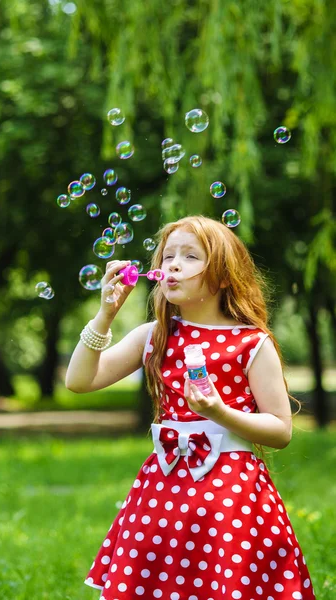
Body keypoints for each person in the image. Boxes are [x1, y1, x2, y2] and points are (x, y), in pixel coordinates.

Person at [66, 215, 316, 600]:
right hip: (162, 490)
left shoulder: (251, 343)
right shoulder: (153, 336)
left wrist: (219, 412)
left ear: (222, 275)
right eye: (167, 257)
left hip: (230, 495)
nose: (173, 265)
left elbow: (281, 430)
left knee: (225, 583)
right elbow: (80, 381)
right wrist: (106, 315)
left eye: (190, 257)